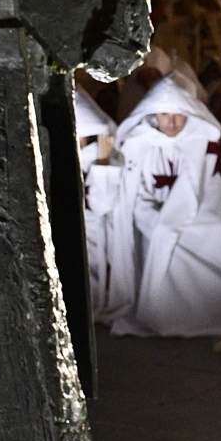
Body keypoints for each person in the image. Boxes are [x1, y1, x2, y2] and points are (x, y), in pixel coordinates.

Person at [110, 75, 221, 338]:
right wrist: (157, 222)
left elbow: (213, 192)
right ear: (153, 114)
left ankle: (215, 310)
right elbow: (135, 198)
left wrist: (171, 223)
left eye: (178, 115)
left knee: (214, 229)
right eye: (164, 114)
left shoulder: (203, 143)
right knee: (165, 235)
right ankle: (164, 313)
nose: (171, 122)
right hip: (152, 218)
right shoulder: (140, 144)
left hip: (200, 214)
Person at [75, 87, 129, 323]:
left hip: (93, 222)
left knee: (92, 268)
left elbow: (102, 203)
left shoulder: (100, 155)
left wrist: (103, 162)